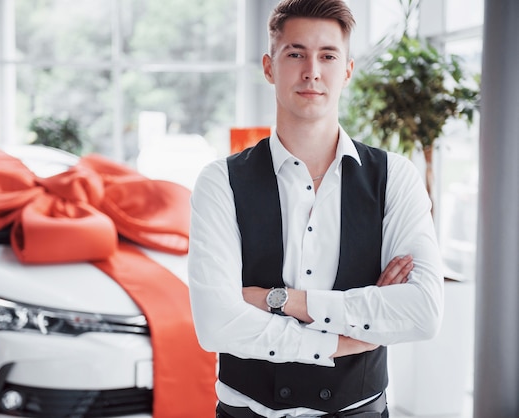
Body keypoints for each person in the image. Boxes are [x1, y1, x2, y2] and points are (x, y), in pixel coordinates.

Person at [187, 0, 444, 417]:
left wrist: (280, 300)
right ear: (269, 68)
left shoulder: (395, 177)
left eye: (327, 55)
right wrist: (350, 336)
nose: (312, 71)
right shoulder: (220, 182)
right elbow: (216, 323)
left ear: (347, 70)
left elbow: (422, 312)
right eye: (296, 54)